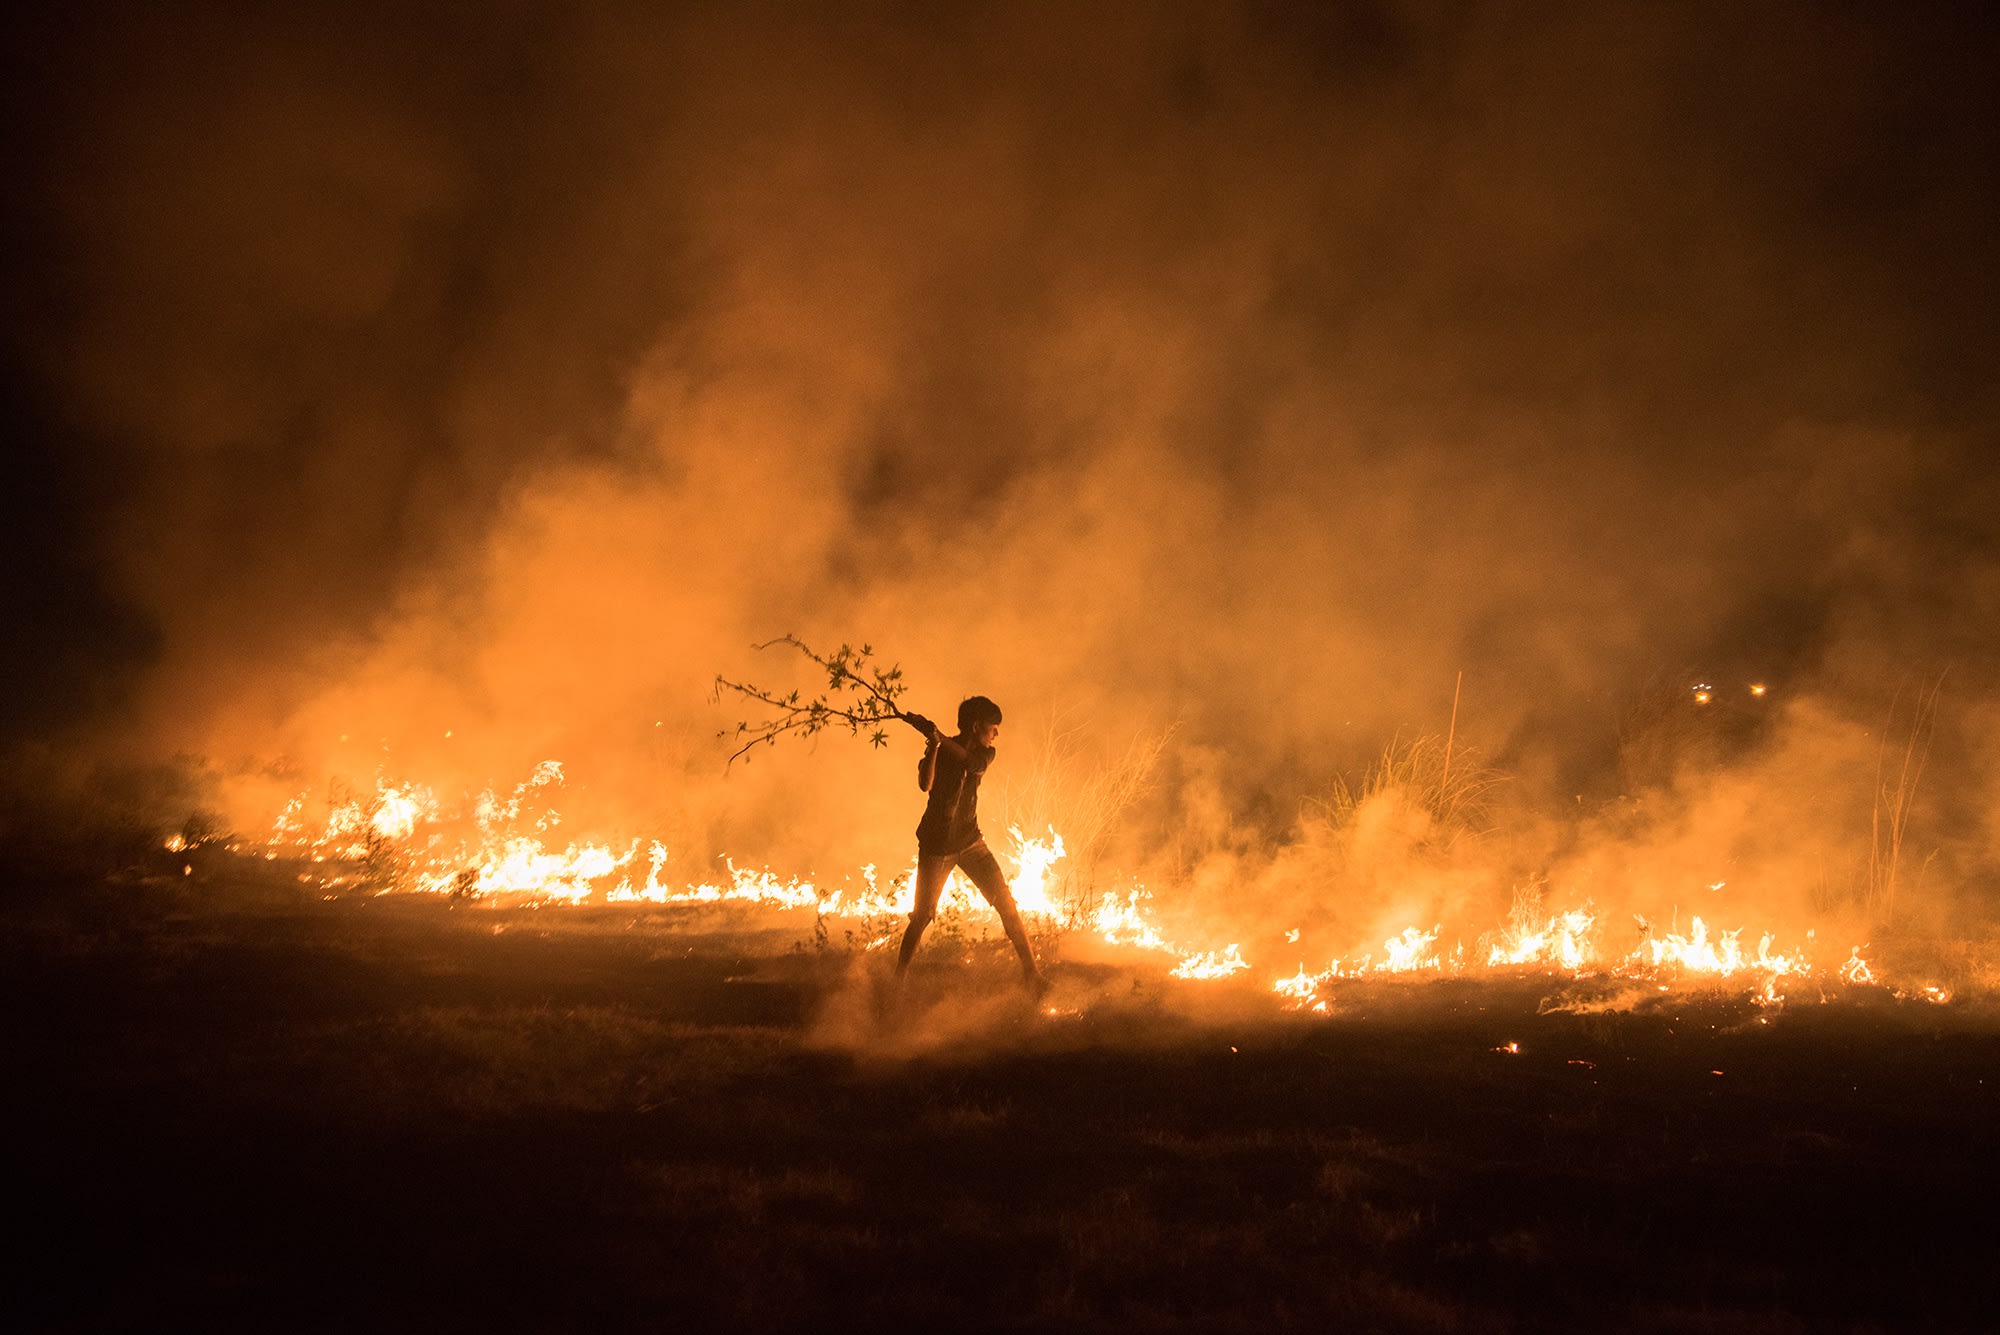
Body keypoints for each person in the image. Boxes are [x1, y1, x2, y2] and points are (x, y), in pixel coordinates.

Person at [894, 695, 1047, 994]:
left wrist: (938, 736)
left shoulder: (984, 755)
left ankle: (1032, 974)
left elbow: (972, 764)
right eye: (993, 727)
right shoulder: (942, 748)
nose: (996, 734)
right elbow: (926, 784)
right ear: (976, 726)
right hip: (937, 846)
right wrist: (935, 745)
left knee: (1005, 902)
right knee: (922, 914)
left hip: (970, 841)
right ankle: (898, 981)